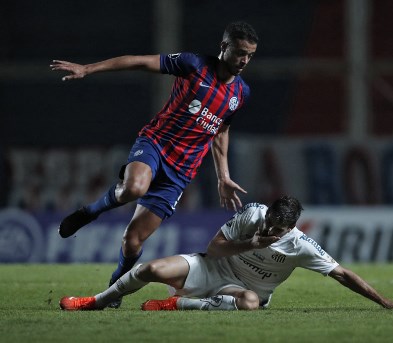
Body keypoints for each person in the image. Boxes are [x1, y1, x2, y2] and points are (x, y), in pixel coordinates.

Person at [50, 21, 258, 308]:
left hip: (181, 172)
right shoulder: (193, 64)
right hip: (156, 144)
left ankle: (115, 290)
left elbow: (220, 130)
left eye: (249, 55)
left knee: (133, 240)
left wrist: (223, 176)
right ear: (224, 47)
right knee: (134, 188)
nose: (244, 60)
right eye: (239, 52)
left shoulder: (240, 94)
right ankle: (90, 211)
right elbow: (139, 62)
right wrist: (88, 68)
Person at [60, 196, 393, 311]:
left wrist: (386, 303)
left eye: (277, 231)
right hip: (210, 268)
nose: (270, 232)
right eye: (270, 224)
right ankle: (96, 301)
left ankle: (178, 304)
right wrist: (251, 243)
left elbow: (342, 274)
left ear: (290, 229)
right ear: (269, 214)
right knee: (149, 268)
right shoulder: (253, 214)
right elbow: (214, 247)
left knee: (249, 303)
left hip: (242, 290)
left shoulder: (300, 245)